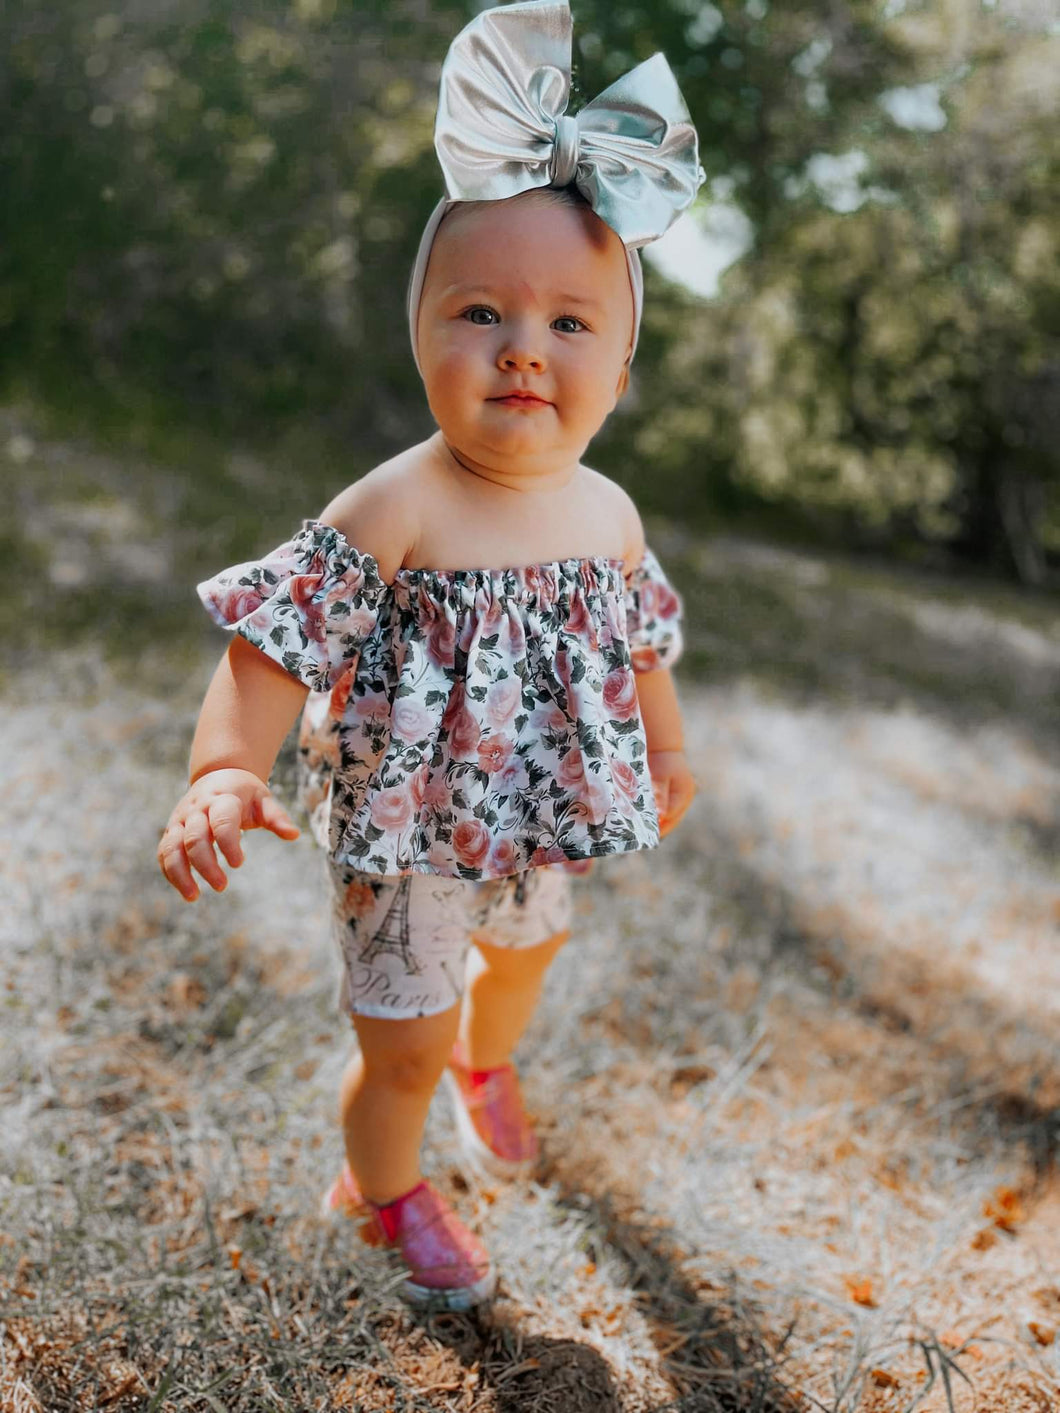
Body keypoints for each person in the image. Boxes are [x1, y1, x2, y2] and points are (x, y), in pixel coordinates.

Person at [157, 0, 701, 1311]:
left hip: (535, 819)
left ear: (620, 369)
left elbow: (642, 641)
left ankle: (487, 1068)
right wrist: (224, 769)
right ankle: (383, 1187)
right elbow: (276, 644)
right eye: (481, 311)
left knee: (522, 957)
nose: (525, 342)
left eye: (572, 322)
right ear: (423, 338)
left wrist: (668, 740)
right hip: (402, 836)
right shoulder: (396, 504)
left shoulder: (609, 512)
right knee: (398, 1043)